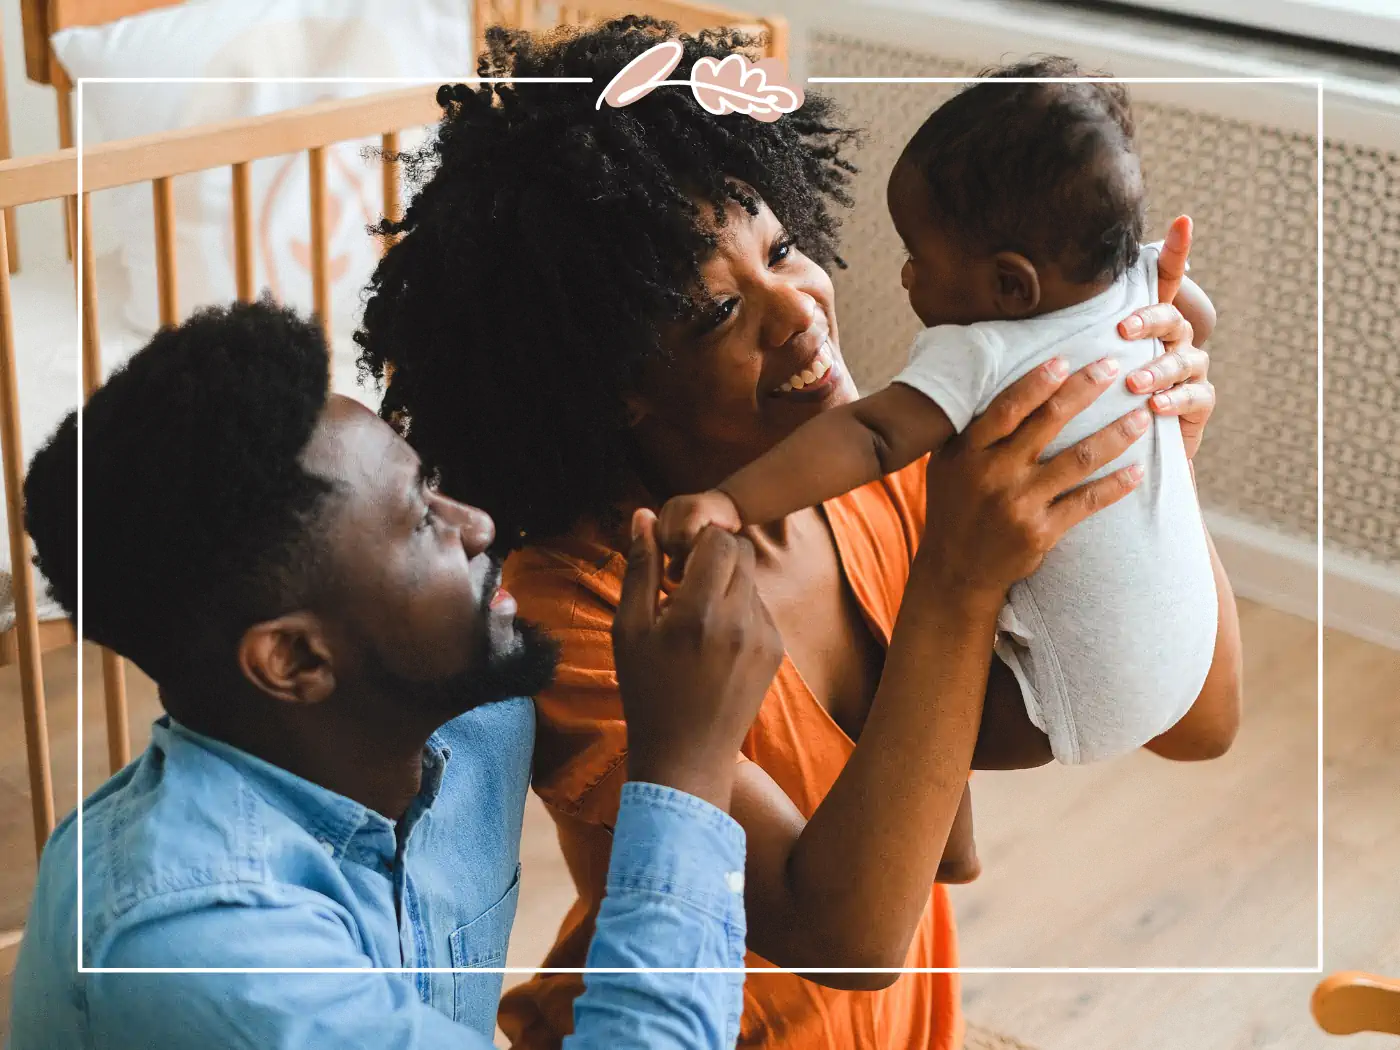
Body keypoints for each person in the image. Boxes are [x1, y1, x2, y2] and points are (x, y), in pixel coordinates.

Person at [355, 18, 1243, 1049]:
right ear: (612, 390)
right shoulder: (580, 612)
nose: (799, 309)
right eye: (715, 314)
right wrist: (955, 585)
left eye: (782, 250)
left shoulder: (870, 476)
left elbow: (1195, 723)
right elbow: (848, 936)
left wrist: (1150, 453)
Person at [8, 298, 785, 1050]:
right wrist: (685, 768)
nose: (477, 525)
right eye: (422, 521)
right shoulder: (195, 942)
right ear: (295, 661)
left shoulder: (467, 723)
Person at [655, 59, 1224, 874]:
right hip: (1180, 647)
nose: (907, 275)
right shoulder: (1131, 279)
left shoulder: (984, 347)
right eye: (719, 308)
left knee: (914, 716)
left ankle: (895, 774)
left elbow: (873, 437)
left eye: (919, 256)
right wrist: (1173, 333)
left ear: (1010, 284)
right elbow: (1194, 312)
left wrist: (728, 502)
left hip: (1066, 700)